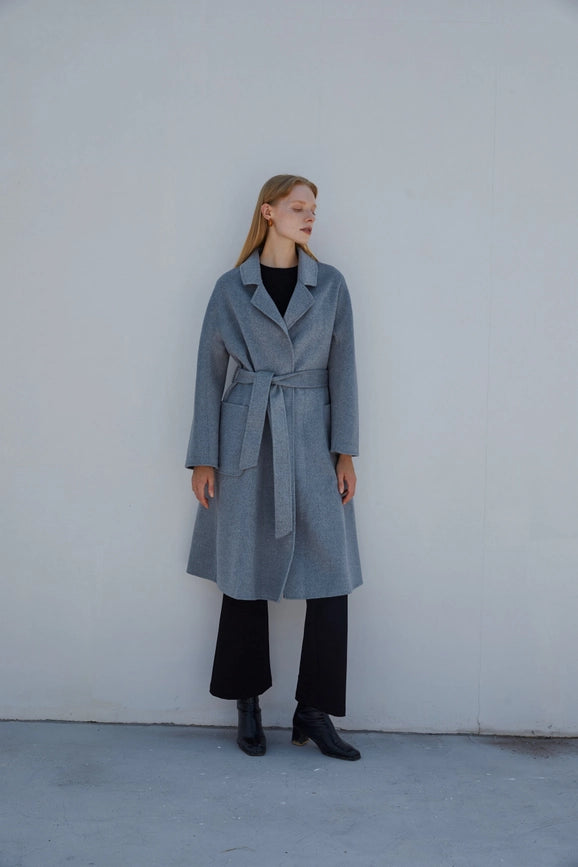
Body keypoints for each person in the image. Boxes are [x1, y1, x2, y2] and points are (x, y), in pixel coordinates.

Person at [185, 174, 363, 761]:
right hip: (246, 435)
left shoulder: (330, 285)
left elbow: (344, 371)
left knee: (331, 573)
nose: (310, 216)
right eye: (298, 206)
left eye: (314, 208)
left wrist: (345, 451)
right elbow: (210, 373)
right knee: (244, 570)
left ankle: (314, 711)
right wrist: (203, 457)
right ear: (268, 212)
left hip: (312, 436)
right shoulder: (230, 288)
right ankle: (248, 704)